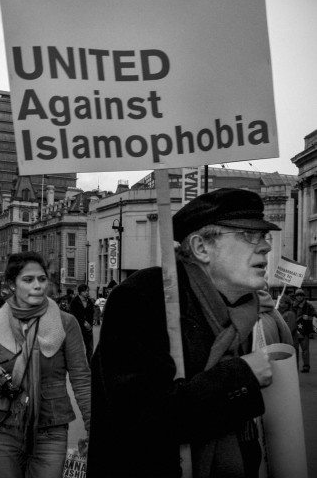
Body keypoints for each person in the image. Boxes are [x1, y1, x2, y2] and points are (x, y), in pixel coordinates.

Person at [88, 188, 281, 478]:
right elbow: (139, 418)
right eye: (248, 235)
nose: (265, 246)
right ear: (202, 247)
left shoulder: (245, 312)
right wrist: (241, 376)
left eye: (265, 236)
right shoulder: (145, 298)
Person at [0, 251, 90, 478]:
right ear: (11, 284)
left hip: (51, 428)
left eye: (42, 279)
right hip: (3, 426)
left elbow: (82, 379)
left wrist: (92, 425)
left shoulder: (66, 323)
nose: (37, 286)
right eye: (28, 280)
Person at [292, 288, 317, 373]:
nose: (299, 297)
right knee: (294, 350)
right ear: (295, 296)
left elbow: (315, 317)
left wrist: (309, 318)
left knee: (305, 350)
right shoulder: (292, 305)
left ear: (303, 296)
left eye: (301, 295)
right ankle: (295, 367)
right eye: (297, 295)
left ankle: (306, 366)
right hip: (294, 331)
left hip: (304, 331)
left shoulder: (308, 306)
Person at [69, 283, 94, 365]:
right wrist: (83, 322)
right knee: (79, 348)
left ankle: (90, 366)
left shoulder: (90, 301)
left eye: (88, 291)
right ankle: (79, 365)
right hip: (78, 328)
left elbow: (91, 313)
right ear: (80, 292)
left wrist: (90, 324)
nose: (87, 292)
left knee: (90, 349)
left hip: (88, 329)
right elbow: (73, 315)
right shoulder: (74, 302)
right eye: (85, 291)